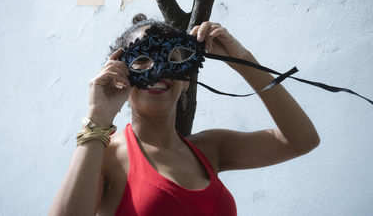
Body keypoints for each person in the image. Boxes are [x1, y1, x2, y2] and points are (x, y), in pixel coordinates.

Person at [49, 15, 320, 216]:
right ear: (121, 75)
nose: (159, 70)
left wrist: (243, 60)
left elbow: (302, 140)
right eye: (141, 59)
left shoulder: (211, 149)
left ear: (186, 79)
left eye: (173, 58)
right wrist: (98, 115)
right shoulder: (106, 157)